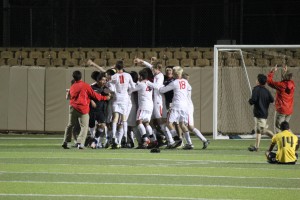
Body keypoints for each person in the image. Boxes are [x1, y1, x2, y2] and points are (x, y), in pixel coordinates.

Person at [61, 70, 109, 149]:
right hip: (84, 109)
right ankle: (81, 143)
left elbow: (68, 97)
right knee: (85, 127)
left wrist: (109, 94)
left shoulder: (73, 86)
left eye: (105, 80)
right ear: (98, 80)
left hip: (74, 107)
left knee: (70, 125)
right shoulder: (88, 86)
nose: (104, 81)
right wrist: (104, 97)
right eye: (102, 79)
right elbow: (95, 95)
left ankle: (65, 142)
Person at [159, 66, 192, 149]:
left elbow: (162, 90)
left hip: (176, 105)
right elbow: (189, 89)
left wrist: (159, 86)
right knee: (182, 124)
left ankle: (176, 138)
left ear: (174, 74)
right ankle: (189, 143)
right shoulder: (185, 81)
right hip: (185, 106)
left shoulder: (174, 82)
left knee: (168, 123)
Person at [108, 60, 135, 148]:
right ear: (123, 67)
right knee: (124, 119)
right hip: (125, 98)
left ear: (116, 67)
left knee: (115, 118)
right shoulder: (128, 75)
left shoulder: (114, 76)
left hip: (116, 98)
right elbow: (133, 87)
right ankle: (125, 137)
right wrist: (129, 92)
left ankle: (113, 136)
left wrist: (113, 91)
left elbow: (111, 88)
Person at [182, 72, 210, 149]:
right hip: (188, 106)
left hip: (186, 107)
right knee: (188, 126)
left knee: (185, 126)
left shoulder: (184, 86)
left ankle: (189, 143)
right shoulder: (188, 85)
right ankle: (204, 140)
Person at [248, 74, 274, 152]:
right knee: (260, 130)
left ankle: (277, 139)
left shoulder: (256, 89)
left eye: (257, 79)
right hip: (264, 113)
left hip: (259, 113)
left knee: (261, 130)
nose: (256, 80)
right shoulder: (267, 91)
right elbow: (272, 100)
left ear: (258, 81)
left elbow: (253, 100)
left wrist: (249, 101)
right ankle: (257, 146)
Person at [267, 64, 295, 133]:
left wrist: (272, 72)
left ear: (284, 76)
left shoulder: (281, 85)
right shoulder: (292, 84)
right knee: (286, 128)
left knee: (278, 128)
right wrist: (286, 71)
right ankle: (295, 141)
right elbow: (286, 81)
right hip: (289, 110)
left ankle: (279, 143)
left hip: (281, 110)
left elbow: (269, 82)